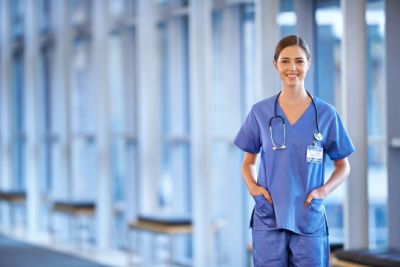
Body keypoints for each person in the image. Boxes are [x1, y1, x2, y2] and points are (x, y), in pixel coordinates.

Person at [234, 35, 355, 267]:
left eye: (299, 61)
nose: (292, 68)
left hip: (308, 216)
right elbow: (248, 161)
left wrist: (323, 192)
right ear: (275, 64)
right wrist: (253, 188)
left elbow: (344, 165)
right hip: (269, 215)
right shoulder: (260, 112)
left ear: (308, 63)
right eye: (285, 61)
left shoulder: (326, 114)